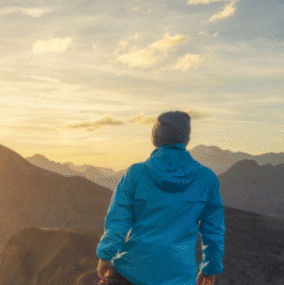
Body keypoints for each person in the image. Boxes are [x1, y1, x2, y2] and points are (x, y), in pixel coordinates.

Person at [95, 111, 225, 285]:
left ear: (156, 137)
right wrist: (210, 268)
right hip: (180, 277)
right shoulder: (206, 179)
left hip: (131, 272)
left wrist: (106, 254)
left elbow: (118, 219)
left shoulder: (136, 174)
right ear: (185, 138)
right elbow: (213, 231)